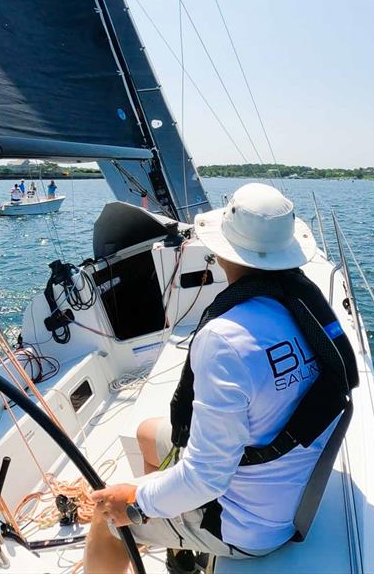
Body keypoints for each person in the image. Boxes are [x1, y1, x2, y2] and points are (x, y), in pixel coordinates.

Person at [85, 183, 356, 573]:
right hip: (290, 488)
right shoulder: (303, 309)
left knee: (104, 518)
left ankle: (171, 530)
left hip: (247, 528)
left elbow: (206, 477)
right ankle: (178, 550)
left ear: (220, 250)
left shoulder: (224, 339)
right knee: (147, 434)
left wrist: (135, 505)